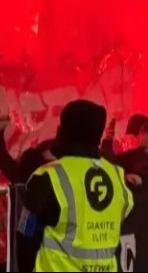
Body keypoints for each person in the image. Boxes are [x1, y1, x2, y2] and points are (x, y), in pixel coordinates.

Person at [22, 100, 133, 272]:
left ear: (67, 131)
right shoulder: (116, 175)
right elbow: (124, 212)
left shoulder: (47, 177)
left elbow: (25, 236)